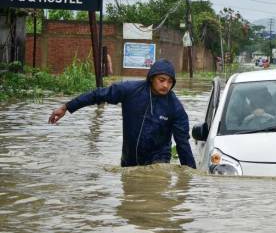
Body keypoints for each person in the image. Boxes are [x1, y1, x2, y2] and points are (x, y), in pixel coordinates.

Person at [48, 59, 196, 168]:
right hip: (128, 161)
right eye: (162, 80)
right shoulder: (130, 91)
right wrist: (66, 107)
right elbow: (98, 95)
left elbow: (183, 143)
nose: (165, 85)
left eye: (170, 82)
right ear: (152, 78)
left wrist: (190, 178)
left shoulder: (175, 108)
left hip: (158, 163)